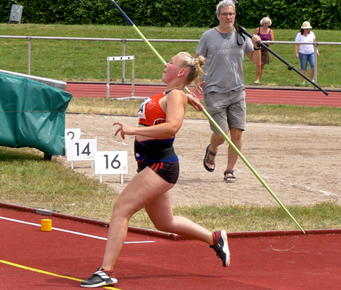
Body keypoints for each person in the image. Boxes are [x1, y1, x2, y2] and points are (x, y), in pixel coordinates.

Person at [80, 52, 230, 288]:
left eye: (170, 62)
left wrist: (134, 130)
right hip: (151, 164)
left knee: (121, 210)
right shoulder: (174, 94)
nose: (165, 64)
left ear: (180, 72)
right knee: (165, 222)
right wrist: (185, 98)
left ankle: (105, 271)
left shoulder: (177, 95)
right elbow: (166, 111)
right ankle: (214, 238)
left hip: (161, 166)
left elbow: (171, 128)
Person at [194, 0, 261, 183]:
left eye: (231, 14)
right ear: (218, 16)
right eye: (224, 14)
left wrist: (256, 46)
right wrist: (196, 77)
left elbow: (255, 61)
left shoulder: (241, 35)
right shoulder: (208, 36)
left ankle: (229, 170)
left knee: (237, 133)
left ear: (235, 15)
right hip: (214, 91)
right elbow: (197, 59)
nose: (228, 17)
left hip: (237, 90)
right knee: (222, 134)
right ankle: (213, 149)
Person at [295, 21, 320, 85]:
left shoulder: (312, 34)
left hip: (311, 52)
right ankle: (303, 81)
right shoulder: (299, 35)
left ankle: (311, 79)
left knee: (313, 66)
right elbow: (296, 44)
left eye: (309, 28)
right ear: (303, 29)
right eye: (306, 28)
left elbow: (314, 43)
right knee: (303, 67)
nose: (308, 29)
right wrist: (296, 52)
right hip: (302, 53)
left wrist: (316, 51)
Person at [253, 16, 274, 84]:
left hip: (265, 49)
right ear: (262, 23)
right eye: (265, 23)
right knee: (258, 64)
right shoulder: (258, 29)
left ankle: (259, 79)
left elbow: (272, 42)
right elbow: (252, 37)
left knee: (262, 65)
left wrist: (269, 41)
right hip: (258, 48)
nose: (266, 24)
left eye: (267, 23)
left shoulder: (270, 31)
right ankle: (257, 79)